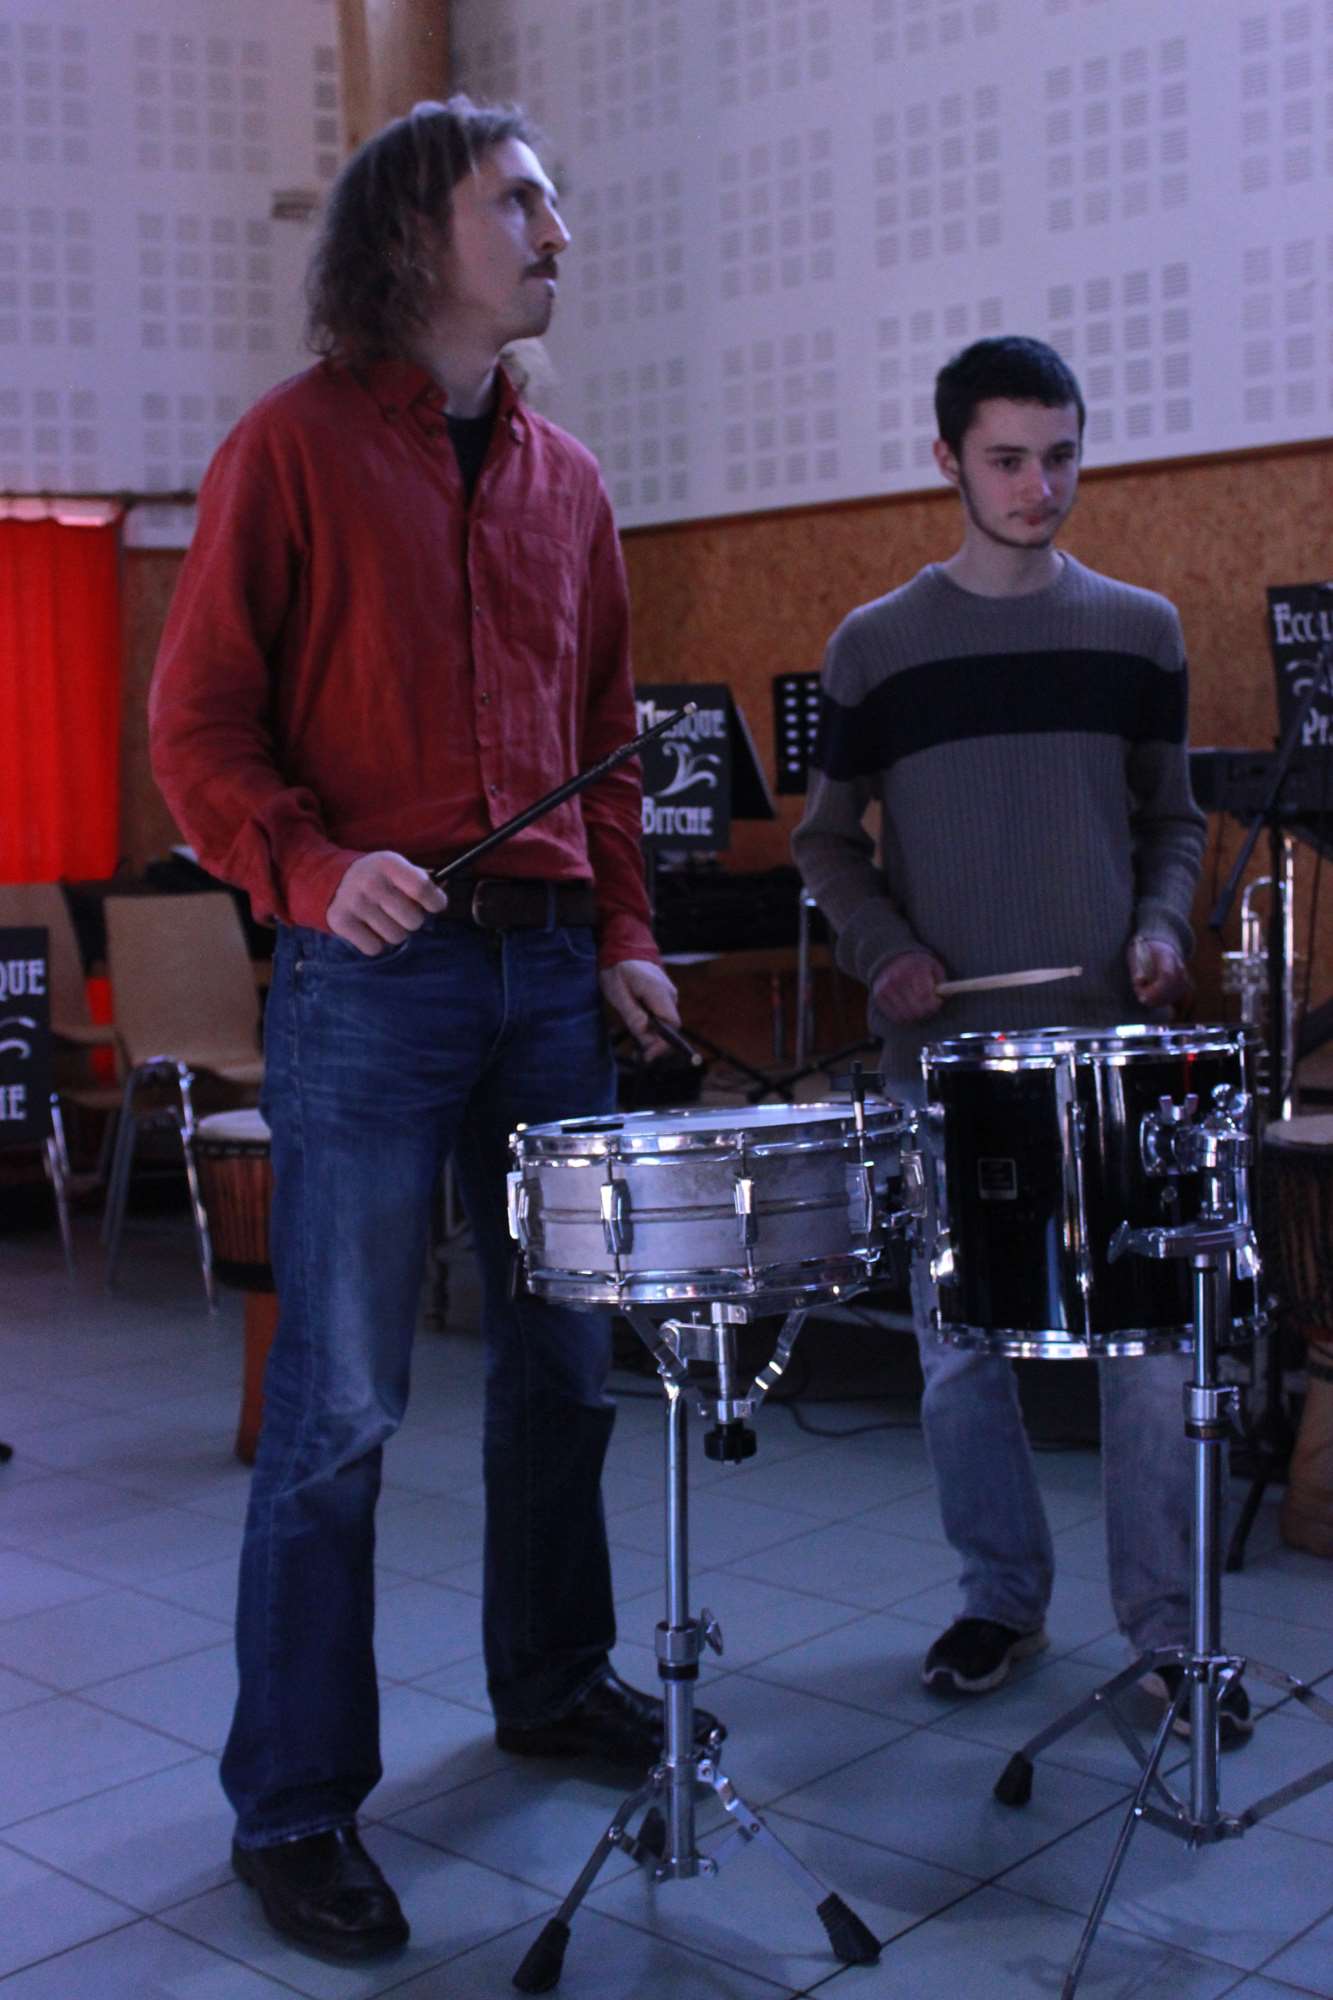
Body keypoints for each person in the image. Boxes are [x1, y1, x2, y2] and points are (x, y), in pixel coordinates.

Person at [149, 96, 718, 1964]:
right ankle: (295, 1806)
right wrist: (315, 872)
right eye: (519, 201)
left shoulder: (571, 482)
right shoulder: (288, 449)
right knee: (339, 1408)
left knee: (563, 1373)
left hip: (549, 982)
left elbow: (605, 745)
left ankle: (547, 1683)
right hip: (370, 987)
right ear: (417, 233)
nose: (556, 230)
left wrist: (622, 931)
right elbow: (198, 731)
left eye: (551, 199)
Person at [793, 334, 1252, 1745]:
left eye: (1059, 456)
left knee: (1149, 1353)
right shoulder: (874, 647)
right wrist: (885, 951)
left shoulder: (1138, 632)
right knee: (958, 1355)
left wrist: (1160, 925)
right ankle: (1000, 1597)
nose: (1037, 485)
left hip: (1110, 1058)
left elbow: (1170, 821)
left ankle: (1167, 1634)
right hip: (949, 1066)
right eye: (1006, 459)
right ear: (947, 460)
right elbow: (827, 845)